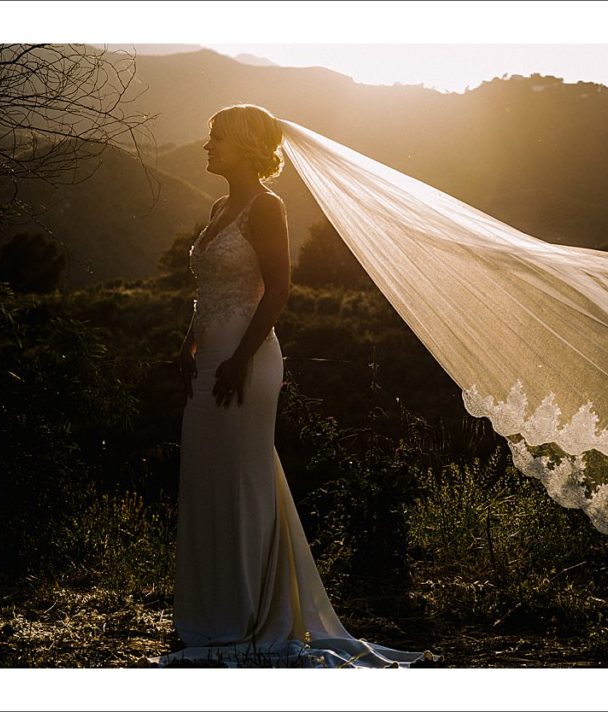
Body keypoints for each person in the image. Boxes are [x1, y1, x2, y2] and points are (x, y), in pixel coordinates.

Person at [164, 104, 427, 668]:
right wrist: (188, 342)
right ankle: (213, 609)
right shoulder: (218, 206)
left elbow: (278, 289)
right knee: (209, 473)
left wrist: (240, 357)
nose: (207, 146)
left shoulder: (267, 206)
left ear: (244, 145)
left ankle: (251, 613)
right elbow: (208, 287)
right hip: (212, 353)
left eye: (217, 139)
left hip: (248, 358)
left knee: (243, 475)